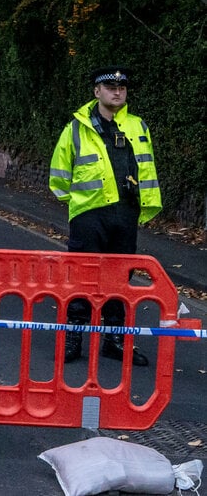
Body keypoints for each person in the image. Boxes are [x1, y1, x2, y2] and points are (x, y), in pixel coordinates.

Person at [49, 66, 161, 367]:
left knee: (119, 280)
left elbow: (145, 168)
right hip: (89, 213)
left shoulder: (138, 126)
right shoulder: (76, 128)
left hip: (125, 212)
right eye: (110, 87)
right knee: (82, 278)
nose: (117, 91)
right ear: (96, 92)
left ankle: (114, 341)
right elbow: (59, 175)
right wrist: (77, 202)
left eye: (122, 87)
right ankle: (73, 337)